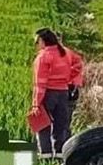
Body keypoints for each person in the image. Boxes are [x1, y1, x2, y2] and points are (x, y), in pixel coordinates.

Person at [31, 28, 80, 157]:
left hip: (48, 93)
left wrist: (36, 104)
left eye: (37, 41)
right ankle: (59, 154)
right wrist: (71, 80)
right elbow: (78, 64)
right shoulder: (66, 53)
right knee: (61, 125)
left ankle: (46, 155)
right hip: (63, 93)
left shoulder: (43, 57)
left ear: (42, 41)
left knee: (43, 125)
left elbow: (40, 83)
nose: (36, 44)